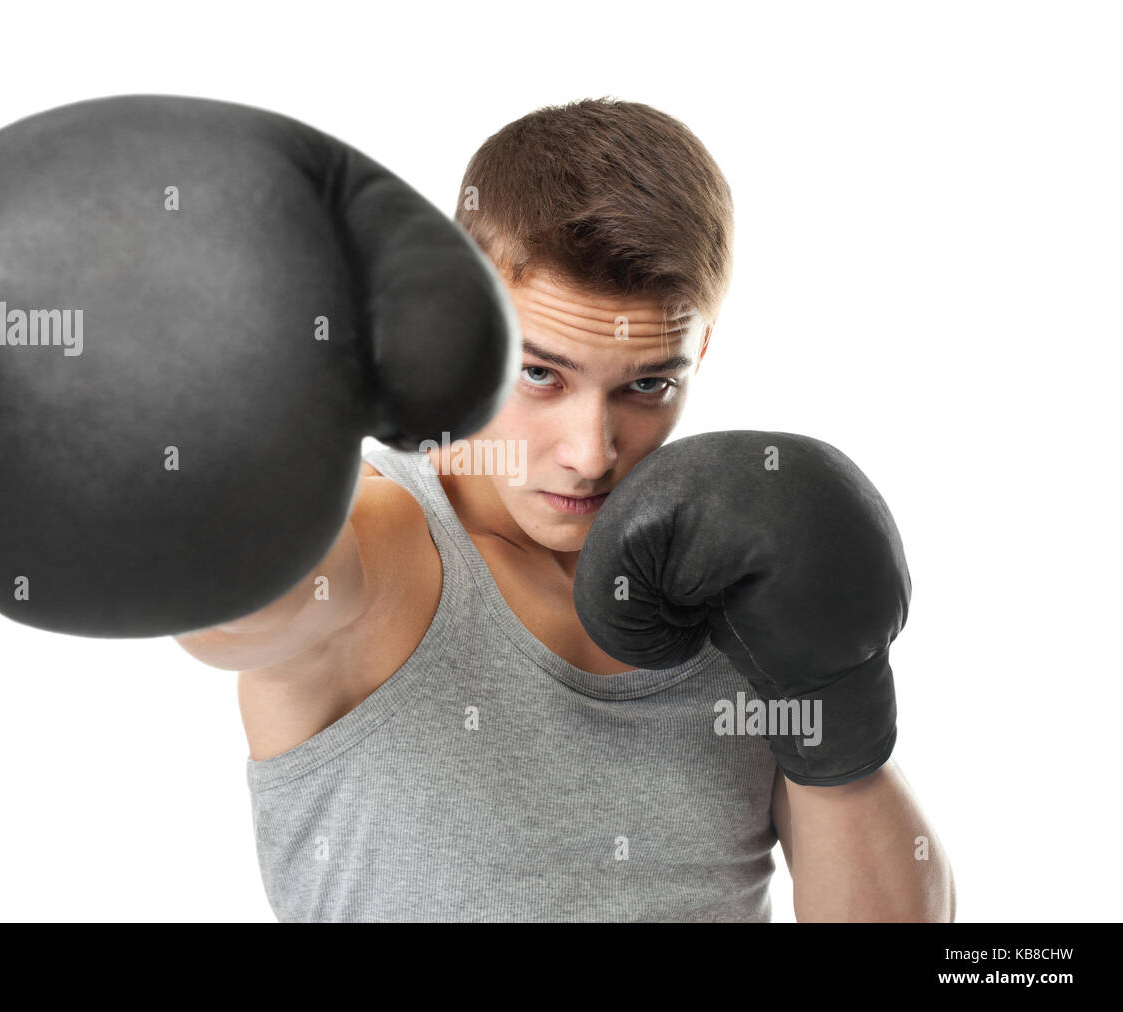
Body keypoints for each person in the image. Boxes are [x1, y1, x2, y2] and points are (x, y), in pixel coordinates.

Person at [173, 98, 957, 922]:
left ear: (704, 350)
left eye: (646, 384)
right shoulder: (382, 545)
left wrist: (839, 697)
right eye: (542, 374)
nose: (591, 451)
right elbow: (232, 608)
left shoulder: (734, 576)